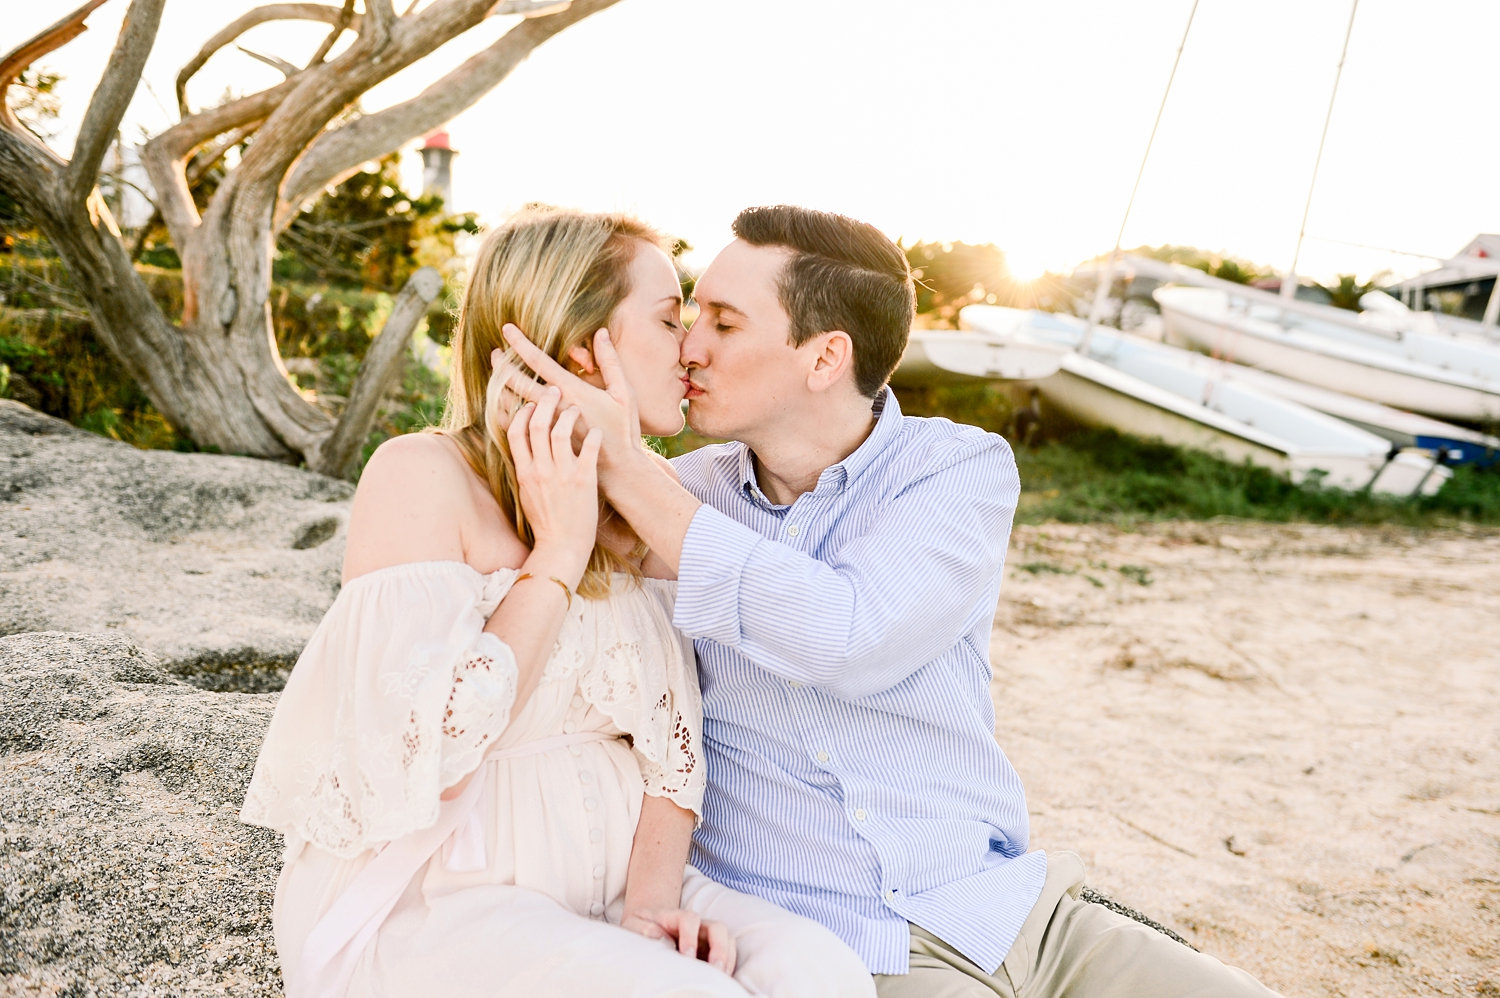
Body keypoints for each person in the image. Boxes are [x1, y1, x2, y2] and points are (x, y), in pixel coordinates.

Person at [498, 204, 1283, 997]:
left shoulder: (954, 469)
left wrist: (634, 474)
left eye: (724, 323)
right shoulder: (672, 501)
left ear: (825, 356)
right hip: (845, 948)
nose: (690, 347)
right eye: (689, 315)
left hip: (1014, 910)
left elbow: (846, 635)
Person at [239, 207, 874, 998]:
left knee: (823, 975)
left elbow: (671, 751)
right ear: (581, 347)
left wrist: (650, 909)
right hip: (438, 896)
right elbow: (425, 751)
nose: (691, 348)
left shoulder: (650, 502)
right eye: (672, 318)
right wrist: (559, 556)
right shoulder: (422, 476)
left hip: (613, 890)